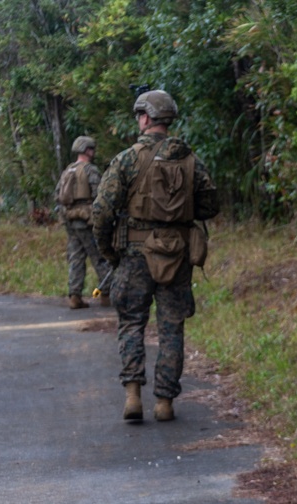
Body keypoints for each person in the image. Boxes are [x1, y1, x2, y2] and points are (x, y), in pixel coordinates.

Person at [91, 90, 218, 423]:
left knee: (132, 323)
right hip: (176, 254)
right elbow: (210, 205)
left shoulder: (127, 159)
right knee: (171, 327)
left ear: (145, 118)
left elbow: (102, 211)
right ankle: (164, 402)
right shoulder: (190, 159)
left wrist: (108, 253)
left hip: (134, 255)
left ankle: (133, 396)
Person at [55, 135, 112, 309]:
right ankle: (106, 294)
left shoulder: (68, 170)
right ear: (87, 150)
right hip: (86, 221)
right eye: (92, 149)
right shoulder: (90, 170)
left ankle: (75, 295)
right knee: (100, 257)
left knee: (76, 257)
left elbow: (58, 195)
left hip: (70, 220)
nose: (93, 152)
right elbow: (99, 196)